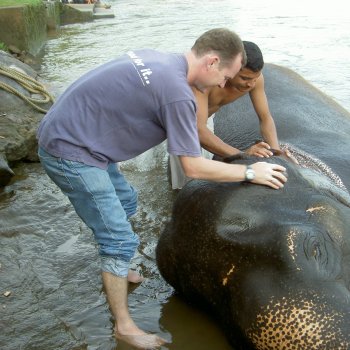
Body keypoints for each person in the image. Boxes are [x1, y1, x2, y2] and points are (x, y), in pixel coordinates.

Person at [36, 28, 287, 349]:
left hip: (80, 134)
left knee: (127, 200)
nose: (224, 85)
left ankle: (118, 267)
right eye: (226, 76)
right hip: (71, 150)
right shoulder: (180, 95)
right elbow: (192, 166)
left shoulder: (160, 59)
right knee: (118, 238)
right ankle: (124, 327)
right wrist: (250, 171)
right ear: (211, 62)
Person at [169, 41, 282, 189]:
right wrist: (242, 155)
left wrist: (276, 153)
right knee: (187, 180)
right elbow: (197, 130)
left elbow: (265, 118)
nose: (251, 84)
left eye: (255, 78)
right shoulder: (205, 81)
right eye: (245, 78)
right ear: (231, 68)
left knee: (207, 169)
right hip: (181, 120)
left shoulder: (255, 81)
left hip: (203, 120)